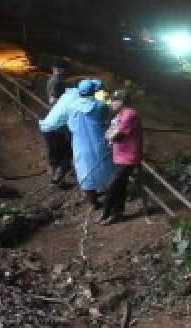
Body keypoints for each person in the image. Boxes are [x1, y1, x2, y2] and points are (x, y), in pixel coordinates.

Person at [40, 79, 113, 209]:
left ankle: (92, 202)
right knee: (104, 167)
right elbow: (106, 116)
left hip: (80, 143)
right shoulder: (99, 106)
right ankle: (110, 193)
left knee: (84, 170)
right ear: (94, 91)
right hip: (97, 142)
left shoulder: (72, 106)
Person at [101, 90, 142, 224]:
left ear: (121, 102)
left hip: (128, 157)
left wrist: (111, 135)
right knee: (120, 185)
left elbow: (112, 135)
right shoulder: (119, 114)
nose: (112, 103)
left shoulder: (130, 114)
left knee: (112, 185)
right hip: (119, 156)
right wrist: (111, 134)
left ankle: (108, 213)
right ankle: (116, 213)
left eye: (114, 100)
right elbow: (107, 134)